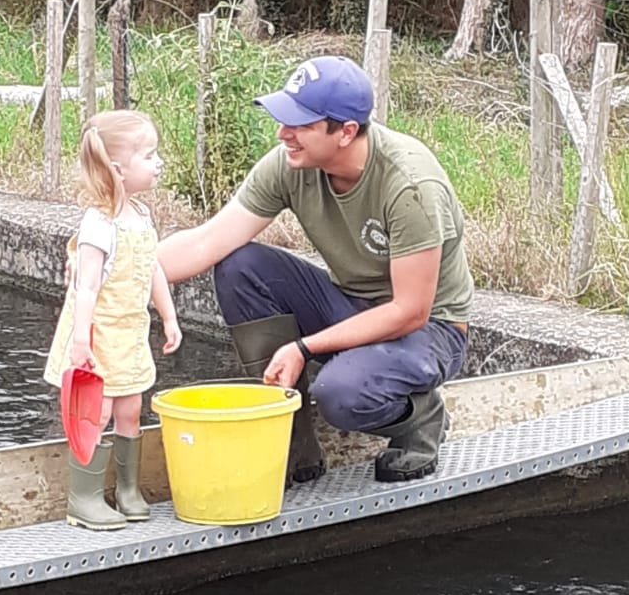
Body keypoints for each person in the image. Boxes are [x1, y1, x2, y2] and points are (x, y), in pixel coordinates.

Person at [157, 54, 473, 484]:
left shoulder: (410, 186)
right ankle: (292, 444)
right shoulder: (290, 164)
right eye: (284, 119)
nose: (283, 134)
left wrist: (303, 348)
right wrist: (116, 271)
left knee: (341, 394)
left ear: (344, 132)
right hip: (348, 305)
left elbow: (409, 311)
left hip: (427, 330)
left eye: (301, 124)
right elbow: (207, 242)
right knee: (240, 265)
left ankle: (420, 419)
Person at [45, 110, 181, 529]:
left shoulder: (140, 216)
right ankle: (83, 498)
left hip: (129, 332)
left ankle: (127, 489)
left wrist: (169, 316)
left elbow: (151, 267)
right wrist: (81, 341)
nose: (158, 163)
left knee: (130, 407)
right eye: (149, 155)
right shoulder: (98, 224)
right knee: (95, 411)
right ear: (118, 170)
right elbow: (86, 288)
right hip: (98, 333)